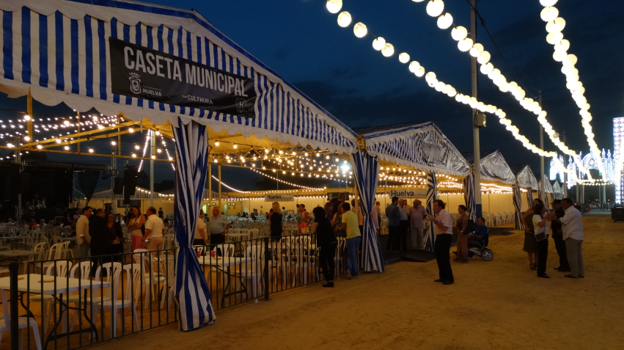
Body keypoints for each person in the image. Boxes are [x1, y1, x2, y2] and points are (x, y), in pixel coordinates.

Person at [555, 198, 585, 279]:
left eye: (563, 204)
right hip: (578, 235)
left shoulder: (571, 211)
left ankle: (574, 273)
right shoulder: (575, 211)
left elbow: (563, 221)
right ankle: (580, 272)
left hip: (572, 235)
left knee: (572, 256)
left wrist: (554, 218)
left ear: (568, 204)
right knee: (578, 256)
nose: (562, 206)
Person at [427, 200, 454, 285]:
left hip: (445, 237)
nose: (434, 207)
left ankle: (449, 278)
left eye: (435, 206)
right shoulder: (438, 214)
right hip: (440, 237)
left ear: (440, 207)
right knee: (439, 257)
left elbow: (445, 228)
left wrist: (434, 221)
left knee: (444, 258)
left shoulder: (445, 214)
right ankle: (443, 276)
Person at [312, 206, 337, 288]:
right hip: (332, 241)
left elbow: (314, 230)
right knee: (330, 260)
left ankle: (327, 280)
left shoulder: (317, 220)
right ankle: (331, 279)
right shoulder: (325, 219)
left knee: (322, 260)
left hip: (325, 242)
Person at [340, 202, 361, 280]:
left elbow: (343, 226)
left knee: (352, 256)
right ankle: (348, 269)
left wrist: (338, 228)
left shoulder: (344, 215)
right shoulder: (354, 214)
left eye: (341, 208)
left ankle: (355, 273)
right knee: (351, 254)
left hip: (350, 236)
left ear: (343, 209)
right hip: (358, 235)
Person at [533, 203, 553, 278]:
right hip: (541, 236)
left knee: (543, 254)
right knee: (542, 255)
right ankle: (541, 272)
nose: (545, 209)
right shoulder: (536, 216)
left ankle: (541, 271)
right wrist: (545, 218)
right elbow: (541, 225)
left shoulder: (540, 215)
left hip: (543, 236)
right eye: (543, 208)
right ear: (541, 210)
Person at [522, 199, 543, 270]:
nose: (535, 204)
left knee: (537, 247)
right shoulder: (530, 210)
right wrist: (527, 227)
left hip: (537, 230)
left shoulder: (540, 211)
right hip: (530, 230)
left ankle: (536, 262)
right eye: (534, 203)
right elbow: (523, 218)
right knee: (530, 247)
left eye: (536, 203)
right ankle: (531, 263)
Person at [550, 200, 570, 272]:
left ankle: (566, 266)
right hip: (556, 233)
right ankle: (562, 264)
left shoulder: (563, 212)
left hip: (561, 234)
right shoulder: (555, 211)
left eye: (554, 204)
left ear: (559, 205)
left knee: (563, 250)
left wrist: (561, 230)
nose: (553, 206)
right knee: (559, 250)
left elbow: (566, 222)